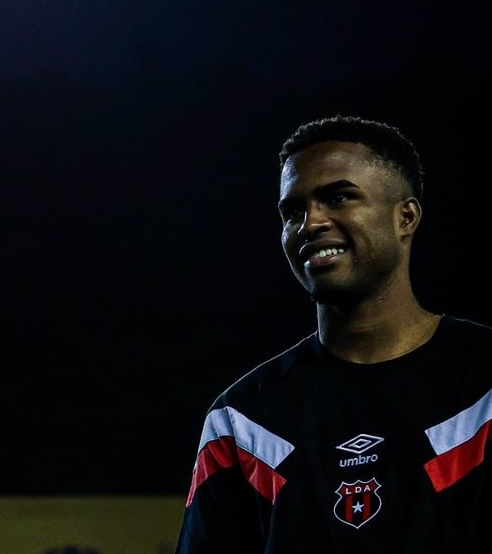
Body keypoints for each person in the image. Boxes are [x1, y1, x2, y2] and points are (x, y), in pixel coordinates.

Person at [174, 115, 492, 553]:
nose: (310, 224)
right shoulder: (242, 422)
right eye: (293, 212)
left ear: (406, 217)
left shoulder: (483, 387)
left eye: (339, 197)